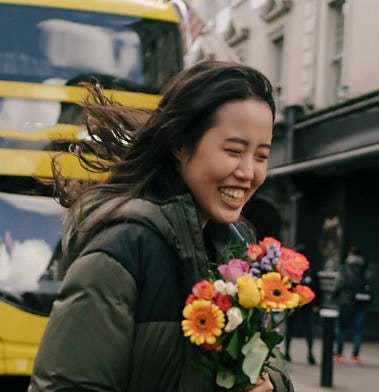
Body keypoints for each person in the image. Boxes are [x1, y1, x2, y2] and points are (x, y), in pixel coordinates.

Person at [29, 60, 294, 391]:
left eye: (260, 156)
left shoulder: (238, 250)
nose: (247, 172)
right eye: (233, 150)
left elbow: (268, 366)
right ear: (180, 146)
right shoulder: (123, 250)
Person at [333, 246, 371, 364]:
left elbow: (339, 284)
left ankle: (339, 354)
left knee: (341, 329)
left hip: (346, 302)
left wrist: (334, 296)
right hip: (360, 303)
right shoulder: (364, 268)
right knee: (358, 330)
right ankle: (355, 356)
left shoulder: (344, 268)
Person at [284, 244, 319, 365]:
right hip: (307, 303)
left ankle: (287, 352)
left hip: (293, 302)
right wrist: (316, 304)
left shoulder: (291, 269)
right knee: (308, 328)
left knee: (290, 328)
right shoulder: (311, 270)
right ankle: (310, 353)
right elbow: (317, 289)